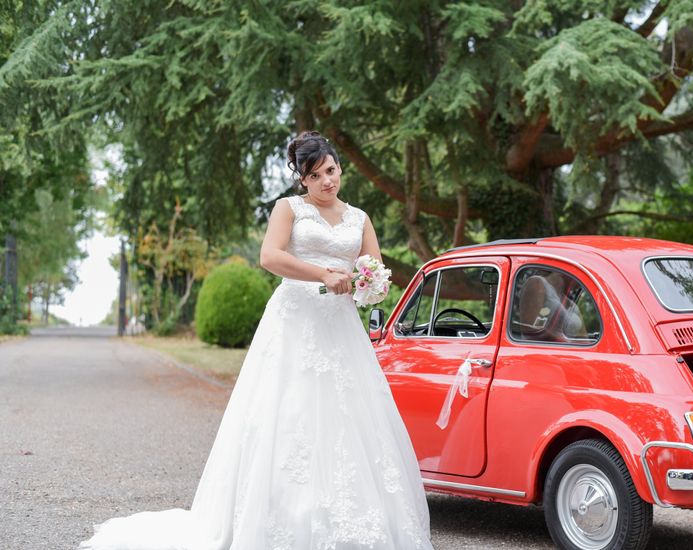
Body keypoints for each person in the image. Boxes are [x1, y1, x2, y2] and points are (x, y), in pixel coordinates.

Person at [81, 131, 434, 549]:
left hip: (340, 328)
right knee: (289, 411)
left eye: (332, 170)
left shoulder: (360, 217)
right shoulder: (289, 209)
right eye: (317, 174)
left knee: (349, 416)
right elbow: (270, 256)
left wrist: (367, 285)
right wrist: (322, 274)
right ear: (301, 179)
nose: (327, 181)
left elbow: (372, 268)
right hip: (295, 322)